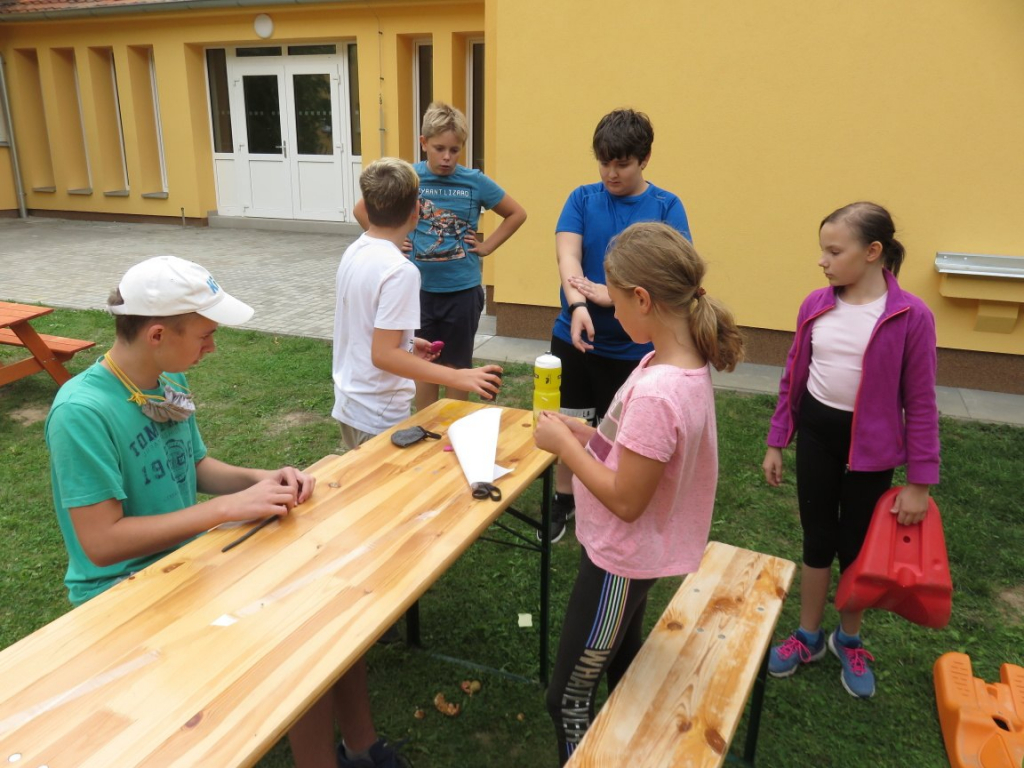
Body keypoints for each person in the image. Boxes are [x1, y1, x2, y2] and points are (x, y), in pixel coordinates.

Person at [44, 255, 408, 768]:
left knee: (327, 603)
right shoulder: (82, 412)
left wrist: (262, 479)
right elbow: (102, 544)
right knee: (297, 640)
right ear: (156, 334)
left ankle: (362, 747)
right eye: (205, 335)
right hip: (121, 593)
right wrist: (224, 511)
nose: (212, 347)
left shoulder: (165, 380)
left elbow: (194, 467)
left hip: (186, 565)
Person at [534, 222, 743, 765]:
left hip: (619, 563)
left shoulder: (658, 392)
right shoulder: (672, 363)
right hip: (638, 555)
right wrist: (586, 435)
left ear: (643, 300)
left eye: (614, 300)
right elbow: (634, 451)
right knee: (624, 670)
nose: (611, 313)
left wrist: (564, 445)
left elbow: (627, 500)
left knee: (567, 698)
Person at [761, 201, 940, 700]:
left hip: (872, 453)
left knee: (857, 548)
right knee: (817, 537)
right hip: (818, 438)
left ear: (872, 252)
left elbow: (921, 402)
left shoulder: (911, 316)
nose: (823, 260)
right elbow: (793, 377)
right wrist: (778, 440)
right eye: (823, 250)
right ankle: (809, 635)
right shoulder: (815, 305)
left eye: (834, 251)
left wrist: (920, 483)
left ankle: (849, 638)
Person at [546, 108, 692, 543]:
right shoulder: (582, 199)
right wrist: (578, 305)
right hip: (575, 336)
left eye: (622, 164)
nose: (611, 173)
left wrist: (610, 295)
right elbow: (568, 256)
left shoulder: (666, 207)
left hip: (634, 349)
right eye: (604, 162)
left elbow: (673, 274)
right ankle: (563, 497)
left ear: (644, 159)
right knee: (570, 418)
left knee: (620, 434)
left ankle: (610, 496)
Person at [353, 102, 525, 413]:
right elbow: (361, 209)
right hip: (418, 293)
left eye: (454, 150)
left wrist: (487, 246)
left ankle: (452, 427)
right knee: (423, 364)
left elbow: (516, 213)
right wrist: (390, 242)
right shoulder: (409, 177)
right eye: (439, 148)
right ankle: (424, 425)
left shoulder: (474, 182)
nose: (447, 157)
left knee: (458, 366)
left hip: (462, 292)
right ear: (423, 143)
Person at [333, 156, 502, 450]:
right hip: (377, 414)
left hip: (351, 404)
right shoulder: (400, 271)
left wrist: (408, 344)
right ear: (416, 211)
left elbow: (367, 331)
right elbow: (384, 356)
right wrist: (457, 376)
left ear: (368, 207)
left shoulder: (356, 250)